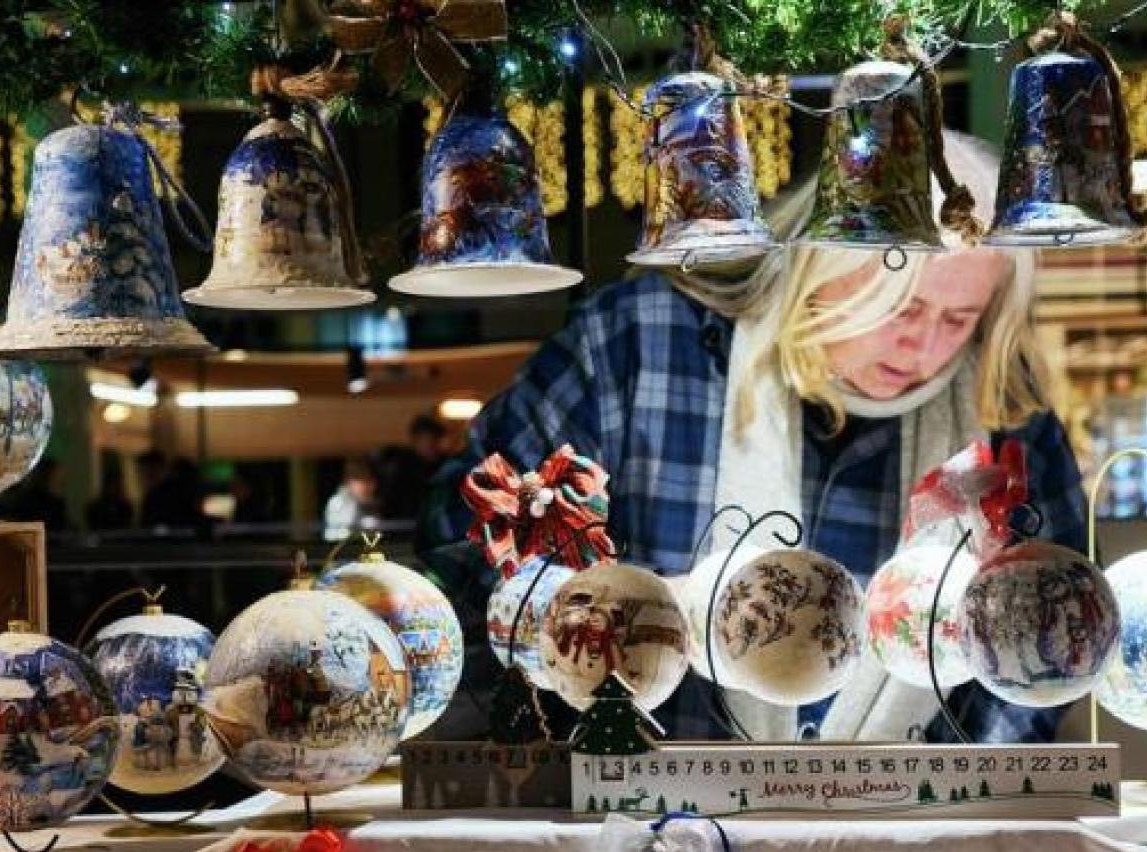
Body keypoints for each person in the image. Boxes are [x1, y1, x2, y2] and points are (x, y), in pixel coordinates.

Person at [421, 134, 1086, 742]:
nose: (925, 345)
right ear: (819, 265)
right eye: (901, 308)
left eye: (960, 318)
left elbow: (1050, 657)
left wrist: (977, 808)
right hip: (636, 813)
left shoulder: (1002, 419)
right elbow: (466, 550)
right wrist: (618, 621)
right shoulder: (638, 349)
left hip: (912, 836)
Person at [377, 414, 450, 522]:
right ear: (415, 441)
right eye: (425, 439)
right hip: (406, 529)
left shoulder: (447, 467)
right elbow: (390, 505)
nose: (430, 445)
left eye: (434, 440)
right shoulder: (402, 469)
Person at [325, 456, 381, 542]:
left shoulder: (372, 503)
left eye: (368, 480)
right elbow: (340, 538)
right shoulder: (337, 503)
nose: (366, 485)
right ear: (348, 481)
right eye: (360, 479)